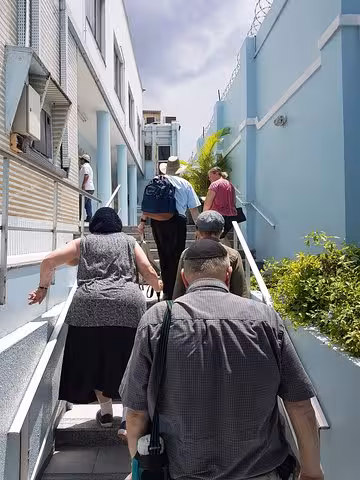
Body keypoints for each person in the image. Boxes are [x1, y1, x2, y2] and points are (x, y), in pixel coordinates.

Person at [120, 239, 323, 480]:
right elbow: (299, 405)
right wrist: (311, 471)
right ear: (228, 275)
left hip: (181, 471)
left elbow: (135, 415)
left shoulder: (157, 319)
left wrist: (140, 468)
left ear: (184, 278)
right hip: (261, 470)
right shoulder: (264, 318)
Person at [28, 207, 162, 430]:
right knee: (128, 360)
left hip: (88, 307)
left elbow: (49, 260)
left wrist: (42, 289)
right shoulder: (129, 241)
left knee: (94, 360)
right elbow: (147, 269)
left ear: (95, 226)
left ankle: (107, 412)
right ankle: (128, 417)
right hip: (126, 306)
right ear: (117, 225)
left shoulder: (84, 243)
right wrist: (158, 286)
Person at [138, 156, 201, 300]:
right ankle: (176, 290)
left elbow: (149, 205)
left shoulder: (157, 180)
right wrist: (200, 228)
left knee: (163, 255)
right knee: (177, 256)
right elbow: (194, 210)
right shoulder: (185, 184)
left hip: (157, 221)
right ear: (179, 170)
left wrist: (142, 222)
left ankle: (166, 289)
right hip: (177, 222)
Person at [173, 210, 248, 299]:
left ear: (197, 231)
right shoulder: (232, 255)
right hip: (224, 305)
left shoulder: (187, 253)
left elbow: (179, 290)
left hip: (192, 305)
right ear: (222, 231)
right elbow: (240, 291)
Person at [203, 166, 237, 239]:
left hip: (217, 216)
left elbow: (207, 203)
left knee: (213, 238)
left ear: (216, 174)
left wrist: (203, 216)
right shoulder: (230, 185)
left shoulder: (215, 184)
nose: (209, 179)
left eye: (210, 176)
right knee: (223, 238)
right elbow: (234, 201)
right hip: (231, 217)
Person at [79, 153, 95, 222]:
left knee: (81, 203)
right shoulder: (89, 166)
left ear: (84, 160)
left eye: (81, 159)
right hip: (90, 188)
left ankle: (78, 218)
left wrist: (83, 185)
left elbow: (86, 176)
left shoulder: (85, 166)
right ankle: (89, 217)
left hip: (86, 188)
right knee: (88, 203)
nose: (80, 160)